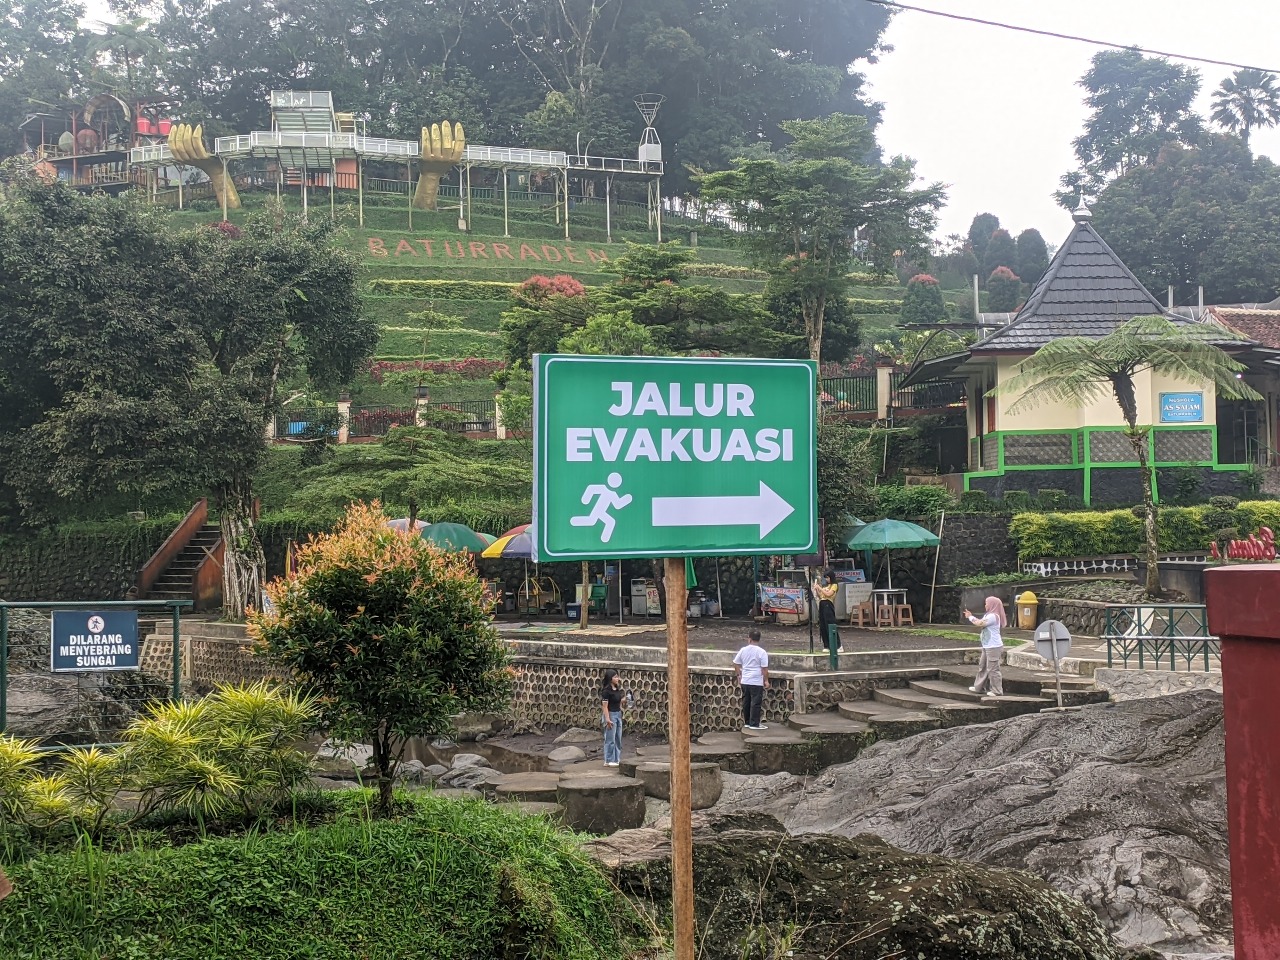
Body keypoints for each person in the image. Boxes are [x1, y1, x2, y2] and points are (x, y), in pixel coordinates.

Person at [964, 596, 1007, 699]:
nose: (985, 605)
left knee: (993, 669)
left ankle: (997, 691)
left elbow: (979, 623)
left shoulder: (993, 616)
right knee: (982, 666)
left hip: (993, 646)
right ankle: (979, 687)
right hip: (987, 645)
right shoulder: (988, 615)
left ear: (992, 604)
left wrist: (970, 617)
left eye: (987, 603)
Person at [733, 629, 770, 730]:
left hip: (745, 680)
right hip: (756, 681)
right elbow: (764, 669)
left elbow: (736, 663)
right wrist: (766, 680)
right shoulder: (762, 652)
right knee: (755, 702)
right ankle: (754, 723)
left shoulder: (743, 650)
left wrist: (739, 675)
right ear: (759, 639)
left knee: (746, 701)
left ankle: (747, 722)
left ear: (749, 639)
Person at [600, 668, 626, 766]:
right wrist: (607, 719)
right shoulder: (606, 691)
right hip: (611, 714)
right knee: (610, 739)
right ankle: (608, 759)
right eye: (615, 677)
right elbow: (605, 706)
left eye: (617, 676)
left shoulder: (617, 689)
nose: (617, 678)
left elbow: (617, 701)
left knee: (618, 738)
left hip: (618, 714)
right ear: (610, 678)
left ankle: (616, 759)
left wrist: (625, 700)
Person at [812, 572, 841, 654]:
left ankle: (838, 645)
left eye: (828, 578)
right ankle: (827, 645)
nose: (827, 579)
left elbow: (829, 594)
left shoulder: (834, 585)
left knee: (830, 624)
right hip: (822, 604)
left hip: (828, 604)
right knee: (823, 625)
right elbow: (821, 596)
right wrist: (817, 589)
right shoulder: (827, 586)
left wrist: (820, 588)